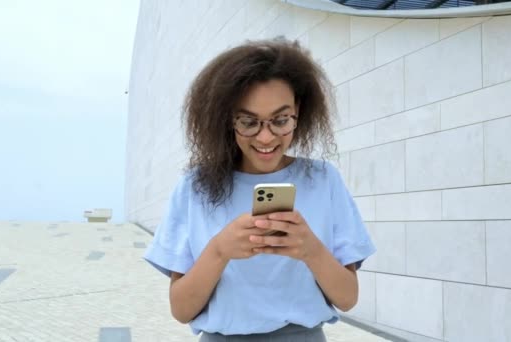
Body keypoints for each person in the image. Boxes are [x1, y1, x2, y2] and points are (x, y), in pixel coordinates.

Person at [143, 38, 376, 341]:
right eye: (249, 121)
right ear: (228, 119)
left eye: (280, 120)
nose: (266, 138)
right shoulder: (195, 186)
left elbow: (347, 298)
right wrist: (219, 251)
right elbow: (181, 310)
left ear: (298, 113)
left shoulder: (323, 180)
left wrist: (311, 249)